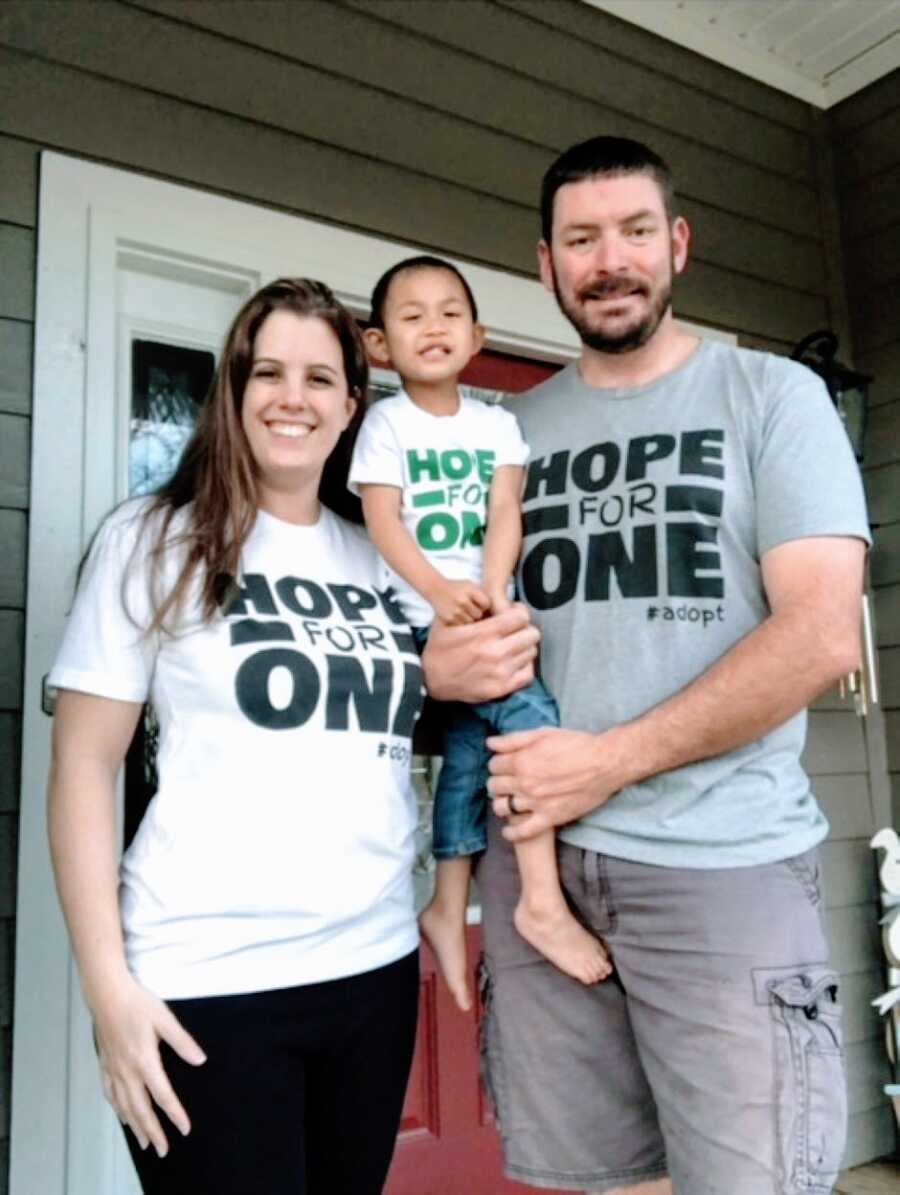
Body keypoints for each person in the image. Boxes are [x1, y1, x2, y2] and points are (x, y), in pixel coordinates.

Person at [421, 136, 870, 1194]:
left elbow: (820, 633)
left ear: (677, 245)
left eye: (632, 232)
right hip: (541, 865)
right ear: (546, 264)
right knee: (597, 1180)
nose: (608, 260)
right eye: (581, 239)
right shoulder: (505, 433)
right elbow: (451, 623)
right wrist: (439, 665)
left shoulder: (772, 398)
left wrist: (608, 761)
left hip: (721, 860)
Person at [46, 278, 424, 1195]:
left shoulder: (382, 557)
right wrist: (108, 987)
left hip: (373, 971)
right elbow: (86, 765)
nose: (292, 396)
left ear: (351, 405)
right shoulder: (154, 539)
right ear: (235, 390)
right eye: (268, 372)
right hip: (206, 982)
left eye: (319, 377)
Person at [350, 256, 610, 1013]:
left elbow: (505, 514)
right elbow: (382, 519)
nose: (432, 327)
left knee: (472, 750)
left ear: (477, 335)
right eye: (411, 316)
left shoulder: (499, 424)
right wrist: (437, 591)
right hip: (421, 616)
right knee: (530, 719)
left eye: (448, 313)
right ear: (378, 345)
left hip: (485, 605)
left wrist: (494, 591)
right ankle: (540, 897)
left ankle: (446, 898)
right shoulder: (386, 423)